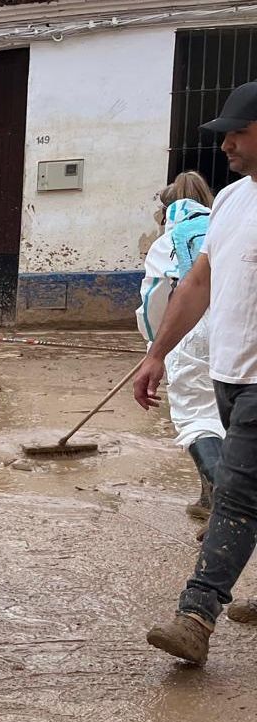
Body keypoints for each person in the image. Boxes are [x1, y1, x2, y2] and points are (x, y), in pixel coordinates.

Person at [137, 81, 257, 664]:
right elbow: (198, 283)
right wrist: (158, 352)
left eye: (238, 130)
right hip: (229, 373)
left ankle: (196, 615)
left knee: (235, 494)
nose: (227, 143)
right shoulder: (232, 200)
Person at [138, 171, 220, 521]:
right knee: (231, 414)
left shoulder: (169, 240)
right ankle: (210, 498)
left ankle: (230, 503)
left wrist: (154, 349)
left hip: (193, 333)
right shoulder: (227, 223)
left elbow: (154, 301)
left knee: (197, 415)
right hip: (242, 328)